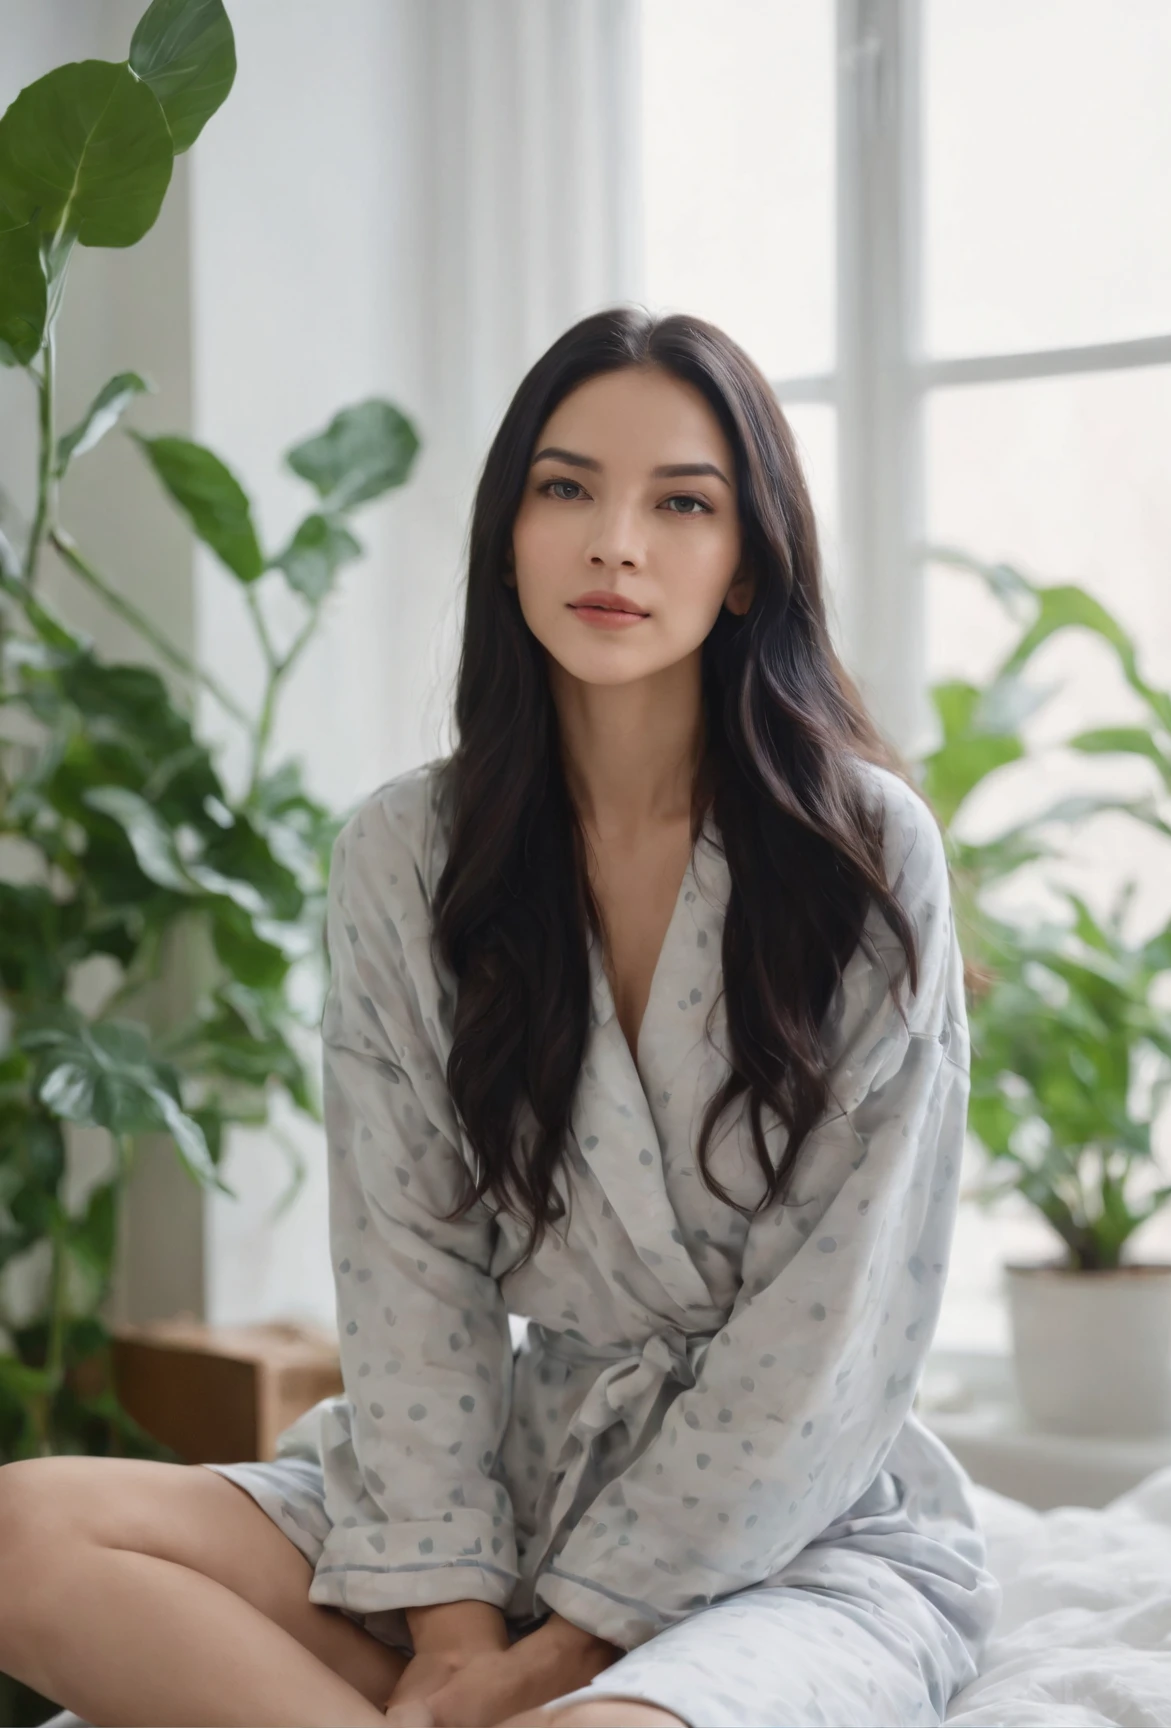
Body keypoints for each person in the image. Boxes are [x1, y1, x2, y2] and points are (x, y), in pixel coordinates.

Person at [0, 307, 1002, 1728]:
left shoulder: (860, 859)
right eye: (566, 487)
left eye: (682, 503)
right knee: (22, 1533)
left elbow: (828, 1336)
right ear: (510, 535)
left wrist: (561, 1656)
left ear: (743, 568)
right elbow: (411, 1282)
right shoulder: (404, 857)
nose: (615, 543)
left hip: (793, 1528)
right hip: (496, 1500)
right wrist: (458, 1636)